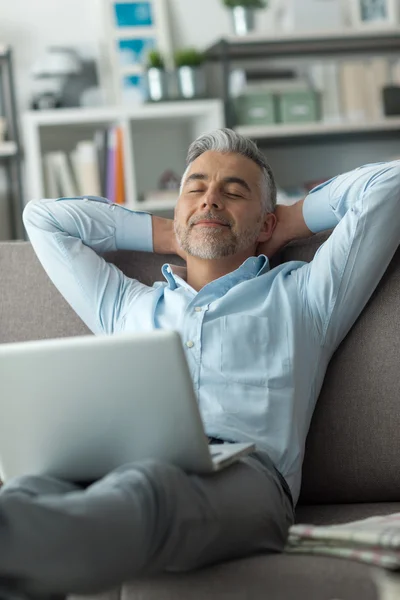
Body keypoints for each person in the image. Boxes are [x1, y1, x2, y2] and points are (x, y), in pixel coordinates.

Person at [1, 129, 400, 599]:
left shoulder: (305, 296)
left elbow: (389, 184)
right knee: (27, 490)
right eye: (195, 188)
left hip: (247, 480)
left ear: (265, 224)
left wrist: (292, 219)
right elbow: (43, 218)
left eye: (234, 192)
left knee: (149, 488)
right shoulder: (125, 305)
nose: (211, 199)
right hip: (122, 465)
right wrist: (169, 230)